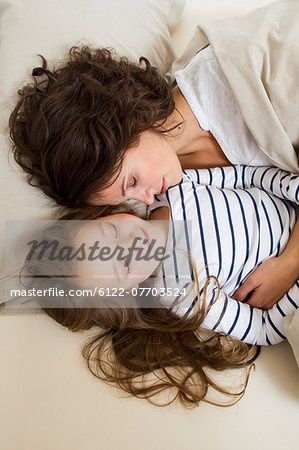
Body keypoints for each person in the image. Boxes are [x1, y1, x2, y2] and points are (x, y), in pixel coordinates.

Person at [8, 2, 299, 316]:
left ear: (131, 122)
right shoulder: (176, 187)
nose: (145, 198)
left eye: (132, 181)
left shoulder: (246, 74)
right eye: (127, 195)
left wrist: (290, 264)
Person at [20, 164, 298, 407]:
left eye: (112, 232)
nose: (134, 245)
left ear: (100, 215)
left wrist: (293, 188)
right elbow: (265, 327)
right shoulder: (179, 292)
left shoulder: (172, 186)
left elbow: (248, 174)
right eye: (124, 265)